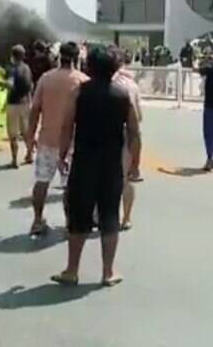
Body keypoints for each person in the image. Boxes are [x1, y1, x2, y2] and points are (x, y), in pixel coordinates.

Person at [50, 46, 140, 287]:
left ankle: (72, 270)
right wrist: (135, 163)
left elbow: (67, 126)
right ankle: (108, 272)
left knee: (79, 217)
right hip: (111, 164)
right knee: (110, 216)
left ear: (88, 66)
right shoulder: (123, 95)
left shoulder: (78, 92)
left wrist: (62, 154)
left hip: (84, 161)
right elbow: (134, 132)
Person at [26, 42, 89, 236]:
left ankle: (37, 220)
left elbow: (35, 109)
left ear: (58, 57)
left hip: (47, 139)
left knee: (42, 181)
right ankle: (70, 222)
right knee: (71, 186)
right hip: (72, 143)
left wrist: (30, 136)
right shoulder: (83, 81)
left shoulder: (46, 79)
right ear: (78, 58)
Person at [113, 51, 143, 231]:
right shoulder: (132, 85)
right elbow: (139, 117)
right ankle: (126, 218)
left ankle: (100, 215)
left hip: (107, 135)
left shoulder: (105, 83)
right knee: (126, 179)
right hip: (128, 134)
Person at [1, 45, 34, 168]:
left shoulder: (12, 69)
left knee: (13, 134)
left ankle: (14, 161)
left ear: (13, 56)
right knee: (25, 131)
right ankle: (29, 155)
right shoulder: (27, 68)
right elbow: (30, 86)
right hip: (25, 103)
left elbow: (9, 85)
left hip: (13, 103)